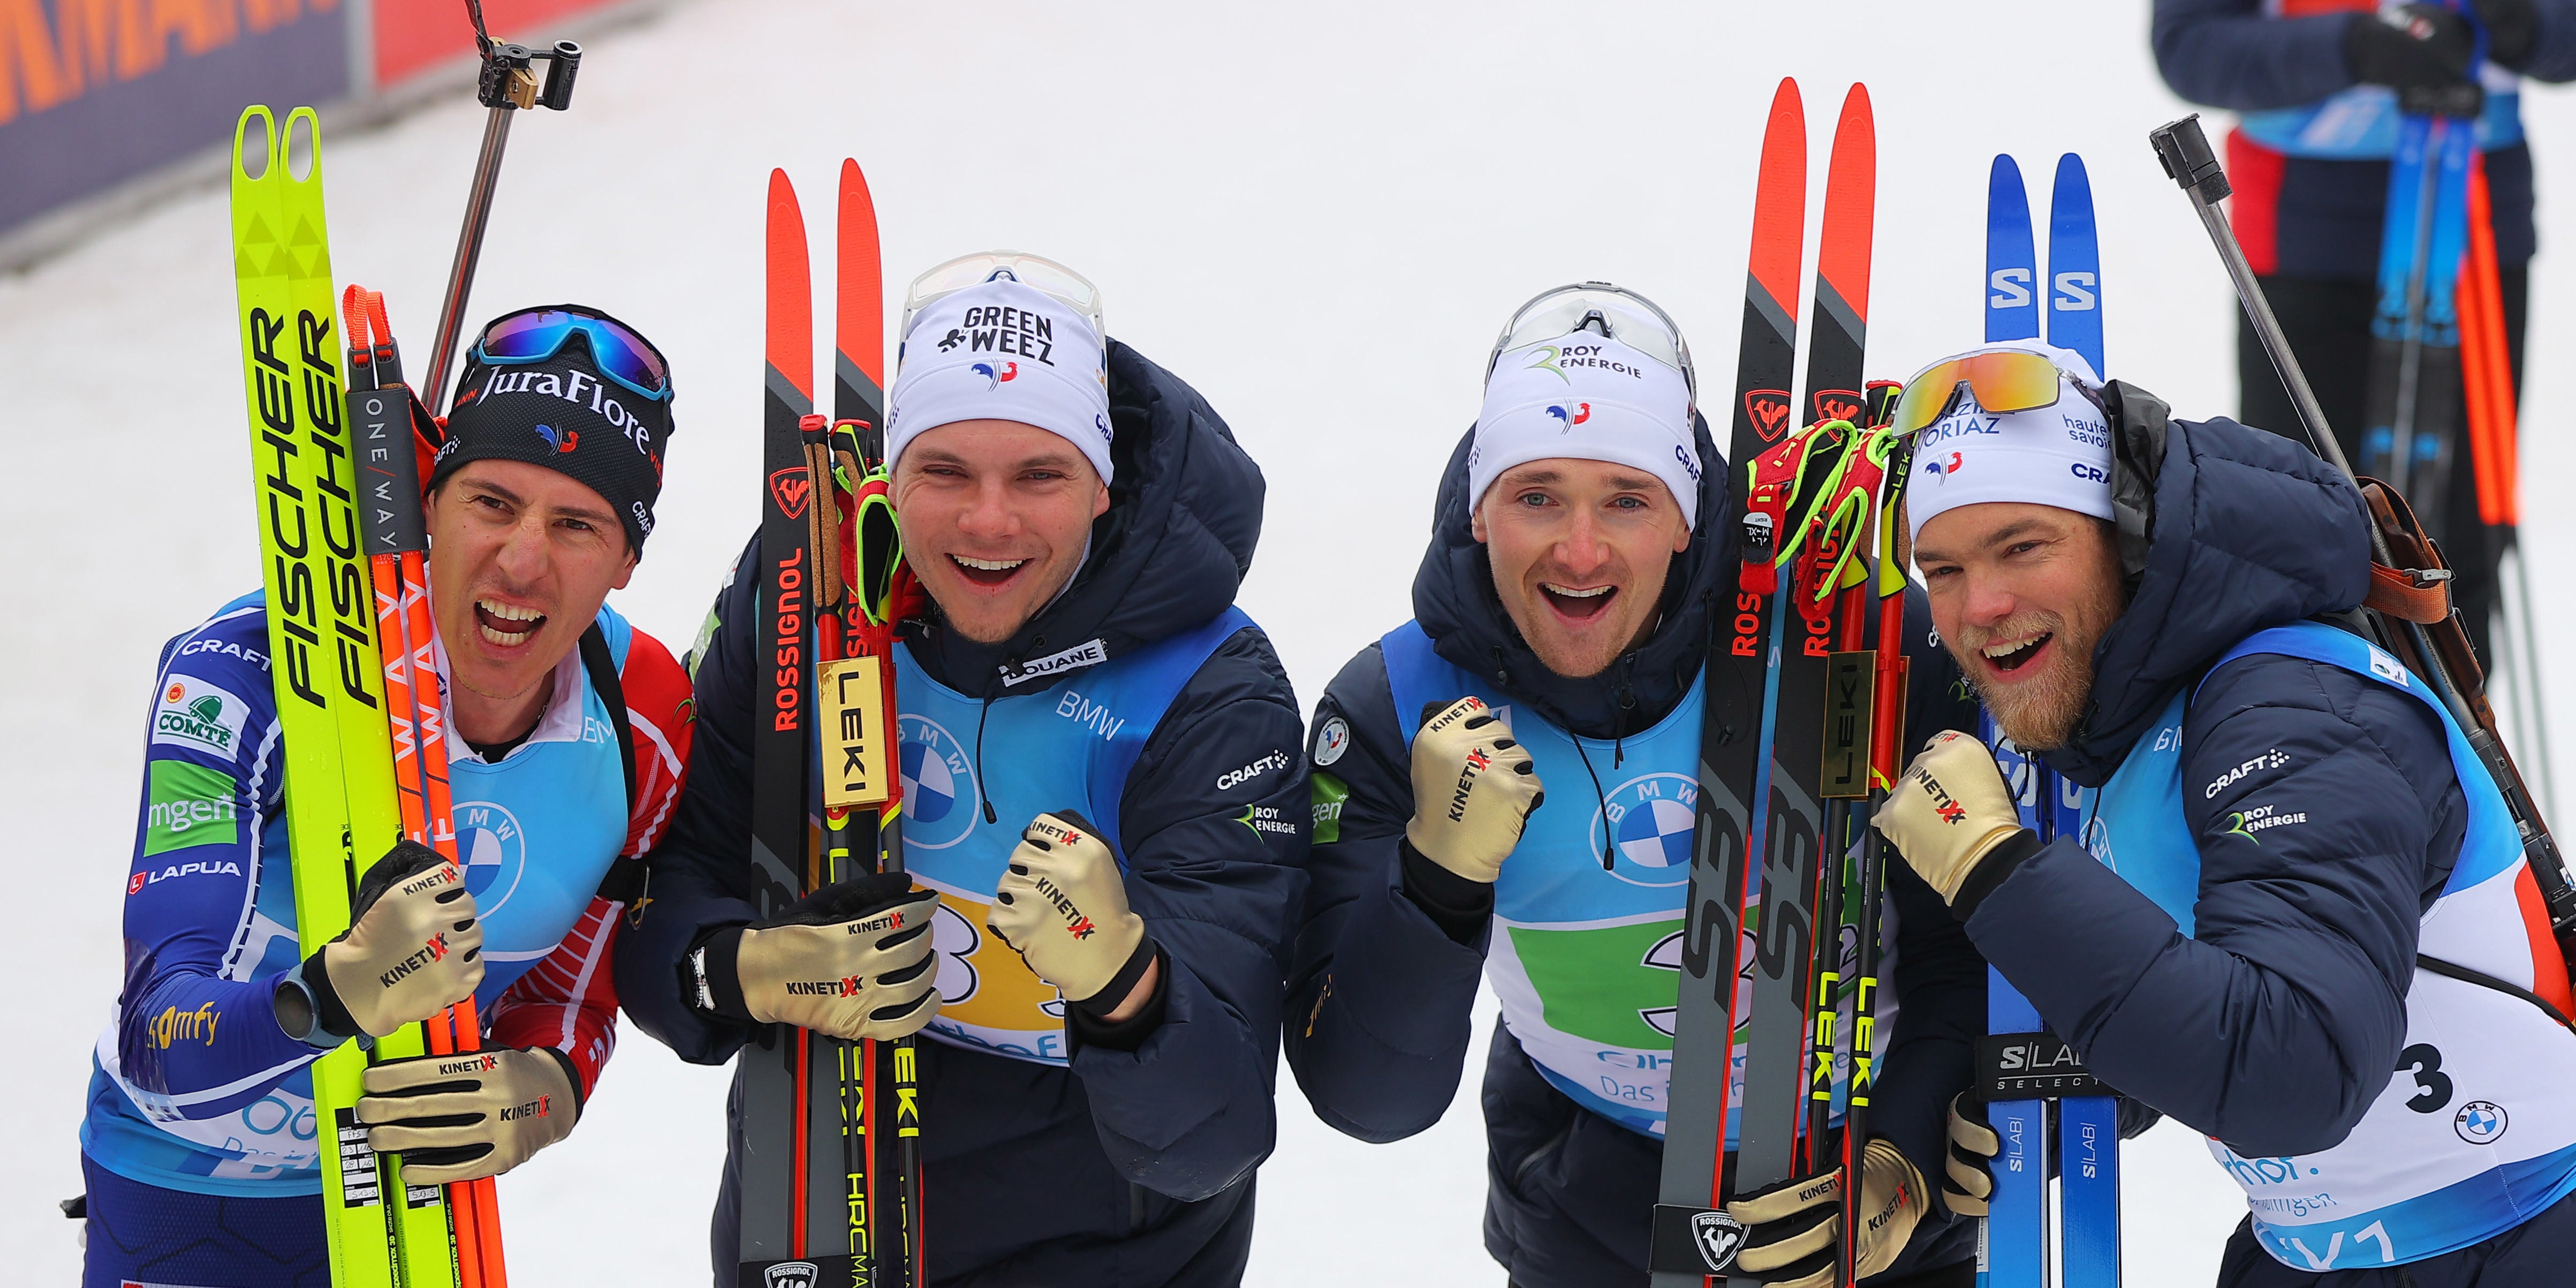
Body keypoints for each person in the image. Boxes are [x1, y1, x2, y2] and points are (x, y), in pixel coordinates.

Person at [615, 253, 1308, 1286]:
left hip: (1106, 1250)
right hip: (813, 1208)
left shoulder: (1205, 689)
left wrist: (1123, 984)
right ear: (892, 474)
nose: (989, 522)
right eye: (943, 472)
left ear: (1102, 486)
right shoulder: (802, 588)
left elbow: (1211, 1135)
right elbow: (664, 888)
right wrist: (742, 967)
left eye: (1039, 475)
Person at [1283, 284, 1983, 1287]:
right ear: (1480, 508)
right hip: (1592, 1207)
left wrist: (1904, 1158)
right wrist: (1435, 882)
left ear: (1688, 519)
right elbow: (1369, 1100)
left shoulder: (1858, 640)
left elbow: (1969, 951)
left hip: (1870, 1200)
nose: (1580, 549)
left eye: (1627, 498)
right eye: (1536, 496)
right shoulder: (1393, 705)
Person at [1871, 343, 2576, 1285]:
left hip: (2520, 1240)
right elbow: (2219, 973)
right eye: (1943, 569)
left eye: (2023, 547)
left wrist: (1995, 871)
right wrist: (2057, 1089)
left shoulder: (2291, 709)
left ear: (2123, 532)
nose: (1981, 605)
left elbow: (2297, 1066)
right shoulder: (2130, 711)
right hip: (2329, 1253)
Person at [78, 305, 696, 1287]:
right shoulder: (244, 673)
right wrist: (334, 995)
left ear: (626, 561)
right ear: (429, 504)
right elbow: (158, 1037)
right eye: (492, 502)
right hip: (184, 1201)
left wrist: (544, 1089)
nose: (522, 560)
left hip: (412, 1207)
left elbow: (570, 996)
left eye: (576, 524)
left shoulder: (648, 715)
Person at [2151, 0, 2576, 660]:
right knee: (2295, 547)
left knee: (2455, 558)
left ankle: (2457, 725)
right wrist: (2353, 48)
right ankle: (2299, 715)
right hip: (2303, 241)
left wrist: (2522, 24)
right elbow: (2191, 46)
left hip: (2474, 237)